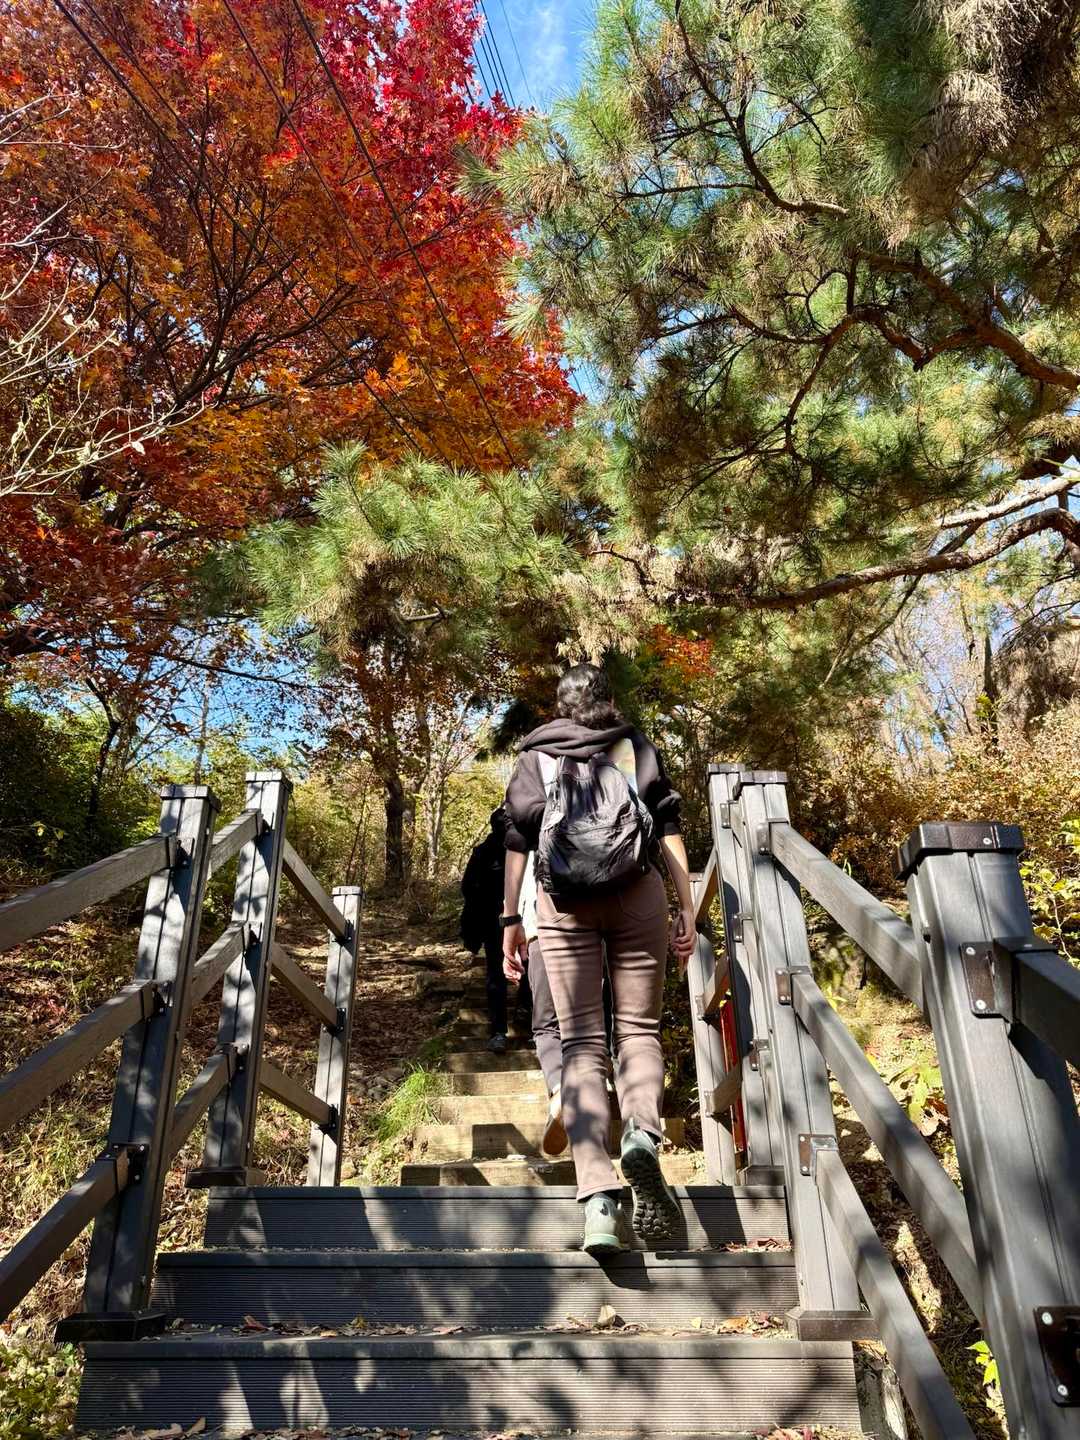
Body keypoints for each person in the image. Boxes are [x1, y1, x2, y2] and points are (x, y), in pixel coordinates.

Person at [500, 663, 697, 1255]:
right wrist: (686, 906)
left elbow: (518, 837)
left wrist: (511, 919)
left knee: (581, 1043)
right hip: (638, 893)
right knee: (638, 1030)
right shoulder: (632, 745)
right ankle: (640, 1135)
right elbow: (666, 822)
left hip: (562, 903)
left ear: (560, 705)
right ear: (608, 700)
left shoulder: (536, 755)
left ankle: (600, 1206)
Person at [460, 807, 531, 1054]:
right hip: (509, 922)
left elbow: (467, 888)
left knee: (499, 975)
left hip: (500, 922)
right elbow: (469, 888)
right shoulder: (521, 848)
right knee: (523, 968)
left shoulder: (484, 851)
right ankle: (519, 1016)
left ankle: (501, 1030)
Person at [519, 852, 568, 1156]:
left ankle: (561, 1090)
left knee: (546, 1026)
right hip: (595, 926)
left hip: (542, 928)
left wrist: (515, 927)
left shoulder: (528, 828)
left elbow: (522, 881)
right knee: (587, 1023)